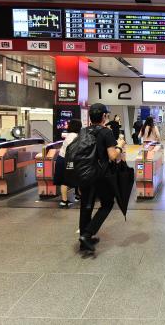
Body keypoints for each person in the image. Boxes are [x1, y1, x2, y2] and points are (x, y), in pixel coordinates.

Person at [78, 103, 126, 254]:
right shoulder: (106, 132)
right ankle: (87, 235)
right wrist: (120, 145)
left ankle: (83, 240)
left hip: (85, 174)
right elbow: (112, 156)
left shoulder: (84, 131)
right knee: (107, 204)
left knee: (86, 206)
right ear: (104, 116)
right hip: (101, 176)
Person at [55, 119, 82, 208]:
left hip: (64, 159)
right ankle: (64, 201)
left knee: (73, 178)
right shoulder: (73, 136)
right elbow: (73, 150)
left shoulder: (72, 135)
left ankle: (77, 196)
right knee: (65, 180)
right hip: (65, 160)